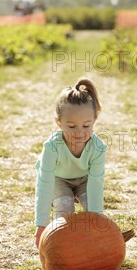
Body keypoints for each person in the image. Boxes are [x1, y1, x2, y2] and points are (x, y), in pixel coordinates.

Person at [33, 78, 106, 248]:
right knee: (65, 207)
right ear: (59, 122)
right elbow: (44, 184)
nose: (79, 132)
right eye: (71, 126)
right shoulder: (52, 146)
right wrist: (41, 224)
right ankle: (61, 243)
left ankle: (89, 243)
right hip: (58, 179)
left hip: (83, 179)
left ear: (94, 120)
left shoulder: (98, 147)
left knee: (91, 207)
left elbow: (96, 185)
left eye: (86, 125)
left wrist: (97, 222)